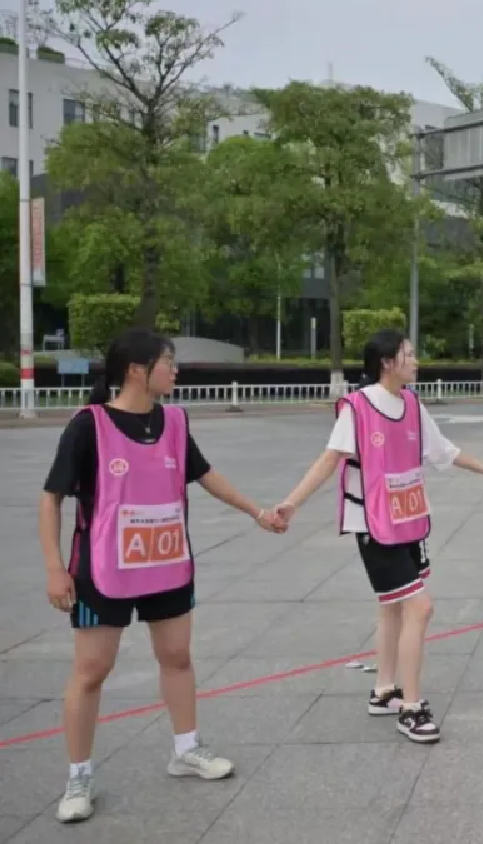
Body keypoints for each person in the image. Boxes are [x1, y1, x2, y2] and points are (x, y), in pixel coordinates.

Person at [40, 329, 284, 824]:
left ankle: (186, 749)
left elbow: (205, 474)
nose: (175, 370)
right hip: (104, 570)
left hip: (167, 564)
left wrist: (257, 512)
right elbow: (52, 497)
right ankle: (79, 776)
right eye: (168, 362)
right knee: (92, 671)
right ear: (137, 370)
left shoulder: (173, 421)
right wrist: (54, 568)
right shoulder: (89, 426)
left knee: (177, 656)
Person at [273, 330, 483, 745]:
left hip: (409, 519)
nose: (416, 360)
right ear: (387, 362)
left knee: (393, 607)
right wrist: (292, 503)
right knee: (420, 606)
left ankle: (385, 690)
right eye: (409, 354)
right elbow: (330, 459)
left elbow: (444, 451)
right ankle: (411, 708)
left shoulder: (412, 404)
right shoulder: (358, 407)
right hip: (374, 525)